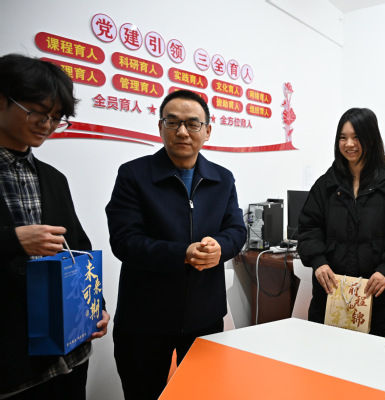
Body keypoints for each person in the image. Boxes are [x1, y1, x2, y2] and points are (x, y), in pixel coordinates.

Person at [106, 89, 247, 399]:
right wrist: (182, 254)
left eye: (193, 123)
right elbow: (124, 241)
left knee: (202, 394)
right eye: (173, 122)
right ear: (161, 127)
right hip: (144, 319)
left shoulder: (223, 179)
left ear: (207, 131)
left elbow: (237, 229)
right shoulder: (133, 175)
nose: (182, 131)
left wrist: (220, 247)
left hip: (205, 318)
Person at [0, 54, 109, 399]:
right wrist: (13, 241)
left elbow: (78, 248)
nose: (46, 125)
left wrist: (97, 306)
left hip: (69, 354)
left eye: (56, 117)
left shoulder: (53, 178)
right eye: (37, 111)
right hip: (11, 363)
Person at [297, 107, 385, 337]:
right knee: (326, 354)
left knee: (374, 357)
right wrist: (318, 261)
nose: (349, 144)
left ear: (371, 139)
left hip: (378, 300)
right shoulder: (326, 185)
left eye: (356, 137)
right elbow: (308, 228)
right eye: (343, 138)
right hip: (332, 298)